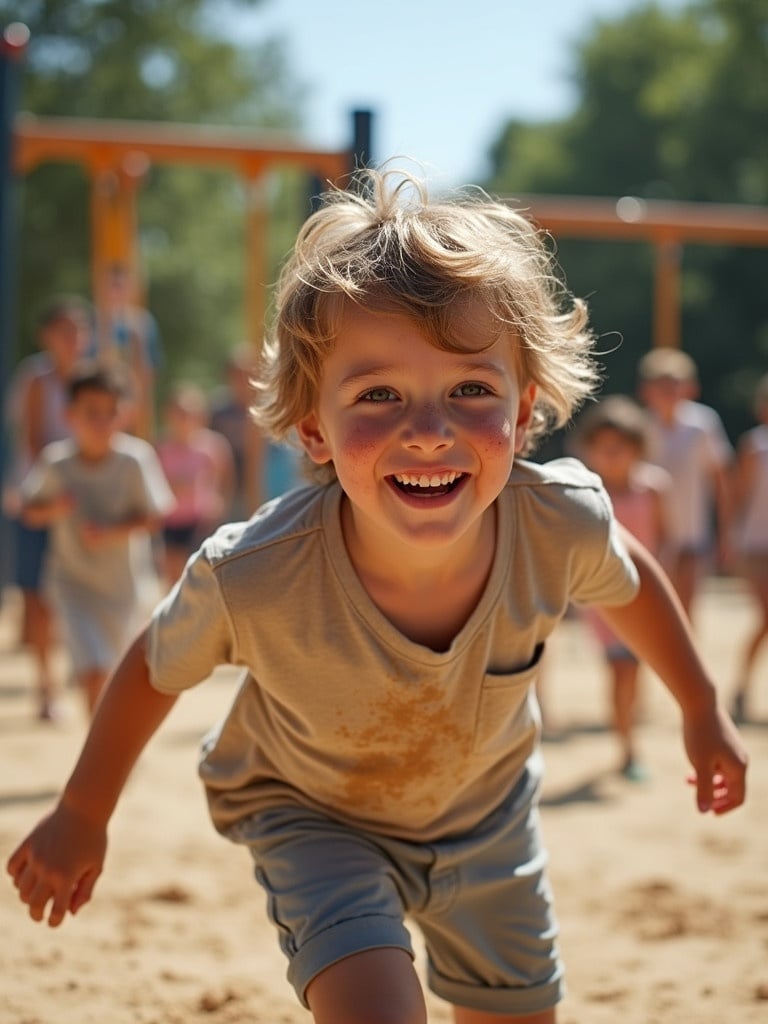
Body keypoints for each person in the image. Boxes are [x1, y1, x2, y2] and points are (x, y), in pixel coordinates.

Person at [6, 170, 747, 1024]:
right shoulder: (255, 571)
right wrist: (83, 809)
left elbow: (629, 578)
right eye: (378, 394)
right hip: (314, 818)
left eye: (471, 389)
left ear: (525, 406)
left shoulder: (559, 523)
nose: (428, 428)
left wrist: (696, 702)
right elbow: (154, 667)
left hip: (486, 820)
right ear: (314, 428)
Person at [18, 363, 174, 716]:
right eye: (92, 413)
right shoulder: (57, 463)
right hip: (72, 586)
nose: (101, 422)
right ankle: (100, 759)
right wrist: (53, 508)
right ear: (70, 415)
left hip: (123, 590)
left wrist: (111, 531)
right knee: (93, 673)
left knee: (116, 676)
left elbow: (155, 516)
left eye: (110, 413)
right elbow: (29, 510)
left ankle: (111, 750)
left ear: (124, 415)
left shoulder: (135, 460)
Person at [1, 296, 92, 719]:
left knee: (84, 591)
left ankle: (82, 672)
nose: (73, 339)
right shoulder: (36, 379)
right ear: (47, 336)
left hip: (82, 502)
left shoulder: (96, 378)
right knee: (37, 597)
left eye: (79, 329)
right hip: (42, 499)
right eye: (65, 330)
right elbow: (35, 441)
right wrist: (62, 491)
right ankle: (46, 689)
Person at [573, 395, 672, 779]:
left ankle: (628, 728)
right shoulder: (585, 494)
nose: (613, 455)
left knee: (634, 668)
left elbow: (663, 540)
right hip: (602, 600)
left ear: (638, 449)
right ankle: (628, 749)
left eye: (621, 448)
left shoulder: (654, 488)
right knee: (621, 669)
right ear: (591, 449)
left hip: (644, 595)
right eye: (605, 447)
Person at [637, 347, 733, 619]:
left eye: (674, 384)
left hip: (693, 533)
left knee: (686, 611)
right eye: (661, 385)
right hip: (650, 537)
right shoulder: (640, 426)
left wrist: (726, 531)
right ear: (647, 390)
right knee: (652, 612)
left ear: (690, 388)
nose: (668, 391)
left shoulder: (703, 424)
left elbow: (720, 478)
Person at [155, 382, 235, 585]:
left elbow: (225, 476)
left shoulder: (212, 446)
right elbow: (154, 482)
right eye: (179, 413)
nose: (183, 420)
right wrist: (173, 487)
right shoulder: (161, 448)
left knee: (201, 573)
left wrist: (220, 503)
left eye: (189, 414)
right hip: (171, 520)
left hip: (200, 521)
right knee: (173, 573)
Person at [209, 343, 301, 517]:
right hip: (229, 489)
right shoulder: (219, 412)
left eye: (249, 375)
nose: (244, 381)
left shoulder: (274, 410)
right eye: (238, 376)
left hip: (265, 489)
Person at [730, 373, 768, 722]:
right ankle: (741, 687)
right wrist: (729, 538)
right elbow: (738, 496)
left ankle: (742, 688)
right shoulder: (755, 446)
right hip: (757, 547)